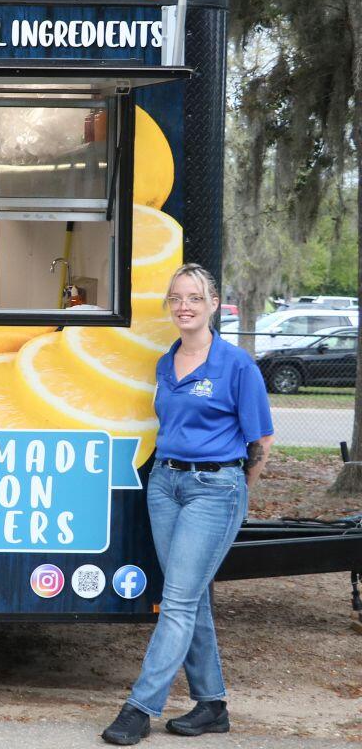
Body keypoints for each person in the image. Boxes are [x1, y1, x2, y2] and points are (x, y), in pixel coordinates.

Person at [102, 263, 275, 746]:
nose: (184, 306)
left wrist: (232, 490)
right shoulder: (166, 361)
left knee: (176, 601)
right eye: (177, 297)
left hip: (214, 490)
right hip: (164, 484)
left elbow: (260, 439)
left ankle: (140, 708)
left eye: (195, 298)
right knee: (189, 596)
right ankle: (212, 704)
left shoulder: (236, 365)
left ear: (213, 304)